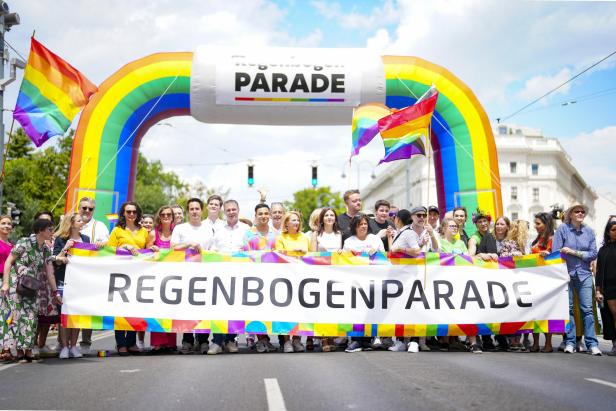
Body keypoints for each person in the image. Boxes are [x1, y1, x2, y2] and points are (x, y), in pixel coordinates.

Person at [1, 219, 60, 363]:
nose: (51, 232)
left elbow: (49, 272)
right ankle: (19, 351)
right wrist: (6, 283)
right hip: (16, 286)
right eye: (49, 229)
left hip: (32, 287)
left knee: (31, 318)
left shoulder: (45, 249)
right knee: (15, 317)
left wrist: (55, 292)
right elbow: (9, 261)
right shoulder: (24, 242)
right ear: (40, 230)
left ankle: (27, 349)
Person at [553, 203, 601, 355]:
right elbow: (556, 253)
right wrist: (562, 271)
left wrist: (574, 252)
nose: (581, 213)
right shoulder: (562, 229)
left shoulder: (589, 231)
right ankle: (570, 342)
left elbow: (593, 254)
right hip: (566, 275)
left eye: (583, 211)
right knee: (569, 310)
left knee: (587, 309)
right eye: (577, 211)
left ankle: (592, 344)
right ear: (570, 214)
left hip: (584, 274)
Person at [170, 198, 214, 355]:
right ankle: (187, 340)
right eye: (192, 209)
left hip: (204, 275)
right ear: (188, 211)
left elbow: (213, 251)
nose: (194, 211)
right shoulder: (180, 228)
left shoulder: (208, 229)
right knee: (186, 309)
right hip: (185, 275)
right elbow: (173, 247)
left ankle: (203, 341)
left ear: (202, 211)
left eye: (197, 208)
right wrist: (188, 244)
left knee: (203, 309)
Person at [107, 202, 149, 356]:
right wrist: (124, 246)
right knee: (120, 310)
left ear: (137, 214)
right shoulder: (117, 231)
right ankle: (121, 343)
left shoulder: (144, 231)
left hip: (139, 275)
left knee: (135, 308)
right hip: (120, 275)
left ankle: (131, 342)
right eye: (128, 212)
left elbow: (149, 249)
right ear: (123, 213)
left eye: (134, 212)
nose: (131, 214)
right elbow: (109, 250)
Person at [208, 200, 249, 355]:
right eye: (228, 210)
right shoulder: (217, 229)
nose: (231, 212)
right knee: (219, 308)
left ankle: (231, 339)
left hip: (240, 274)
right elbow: (212, 249)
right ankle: (217, 342)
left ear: (238, 210)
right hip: (221, 274)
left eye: (234, 209)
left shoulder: (246, 229)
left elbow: (251, 250)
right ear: (224, 212)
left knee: (235, 307)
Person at [343, 213, 384, 353]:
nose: (363, 226)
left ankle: (371, 338)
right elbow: (345, 260)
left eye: (365, 224)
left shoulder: (375, 239)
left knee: (373, 309)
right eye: (360, 224)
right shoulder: (349, 242)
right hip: (356, 282)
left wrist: (376, 252)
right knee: (357, 311)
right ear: (354, 227)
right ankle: (357, 340)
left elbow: (384, 257)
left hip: (374, 281)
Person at [52, 212, 90, 359]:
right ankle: (64, 346)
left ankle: (74, 346)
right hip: (63, 280)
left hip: (80, 281)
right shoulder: (61, 239)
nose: (82, 222)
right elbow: (56, 259)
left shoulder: (86, 239)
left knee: (76, 313)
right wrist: (65, 248)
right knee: (64, 313)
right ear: (72, 223)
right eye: (80, 220)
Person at [242, 203, 278, 353]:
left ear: (269, 215)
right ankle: (262, 339)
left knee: (269, 310)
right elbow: (246, 255)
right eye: (260, 214)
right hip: (255, 278)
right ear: (255, 216)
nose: (263, 216)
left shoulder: (276, 234)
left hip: (272, 277)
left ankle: (266, 339)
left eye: (265, 213)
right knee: (256, 310)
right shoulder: (249, 234)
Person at [274, 211, 310, 353]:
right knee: (284, 310)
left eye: (298, 220)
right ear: (286, 223)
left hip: (301, 278)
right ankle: (286, 341)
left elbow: (312, 255)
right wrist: (294, 251)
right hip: (285, 278)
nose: (296, 222)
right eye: (293, 220)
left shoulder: (304, 237)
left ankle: (297, 340)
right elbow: (278, 254)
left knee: (299, 310)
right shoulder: (281, 237)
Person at [77, 197, 109, 353]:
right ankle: (64, 343)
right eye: (84, 208)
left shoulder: (100, 226)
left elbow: (107, 243)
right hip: (72, 271)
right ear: (79, 208)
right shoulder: (70, 222)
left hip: (91, 272)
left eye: (90, 209)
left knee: (87, 307)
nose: (87, 211)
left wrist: (103, 243)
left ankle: (85, 342)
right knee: (69, 307)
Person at [146, 205, 177, 354]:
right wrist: (152, 249)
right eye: (163, 214)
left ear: (172, 217)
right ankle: (158, 343)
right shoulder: (153, 234)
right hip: (157, 278)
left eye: (169, 215)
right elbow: (145, 253)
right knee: (157, 310)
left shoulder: (176, 233)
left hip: (174, 277)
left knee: (171, 310)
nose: (166, 217)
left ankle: (171, 343)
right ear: (160, 216)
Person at [32, 212, 57, 358]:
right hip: (33, 282)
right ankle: (32, 344)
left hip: (49, 281)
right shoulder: (30, 240)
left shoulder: (53, 240)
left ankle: (42, 344)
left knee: (47, 316)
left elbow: (53, 258)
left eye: (49, 222)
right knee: (34, 315)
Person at [529, 212, 555, 353]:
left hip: (547, 280)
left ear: (546, 224)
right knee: (535, 312)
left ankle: (549, 343)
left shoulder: (552, 239)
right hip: (534, 279)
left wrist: (549, 255)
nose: (535, 226)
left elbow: (557, 257)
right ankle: (536, 343)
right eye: (535, 223)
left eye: (538, 223)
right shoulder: (536, 239)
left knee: (546, 312)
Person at [596, 221, 616, 356]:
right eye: (614, 229)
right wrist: (598, 290)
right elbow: (599, 271)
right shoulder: (603, 250)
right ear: (608, 232)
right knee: (612, 315)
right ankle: (615, 344)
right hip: (609, 287)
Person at [0, 215, 14, 361]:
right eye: (3, 223)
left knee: (7, 316)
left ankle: (6, 348)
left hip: (8, 283)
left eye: (9, 224)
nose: (6, 226)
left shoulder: (12, 245)